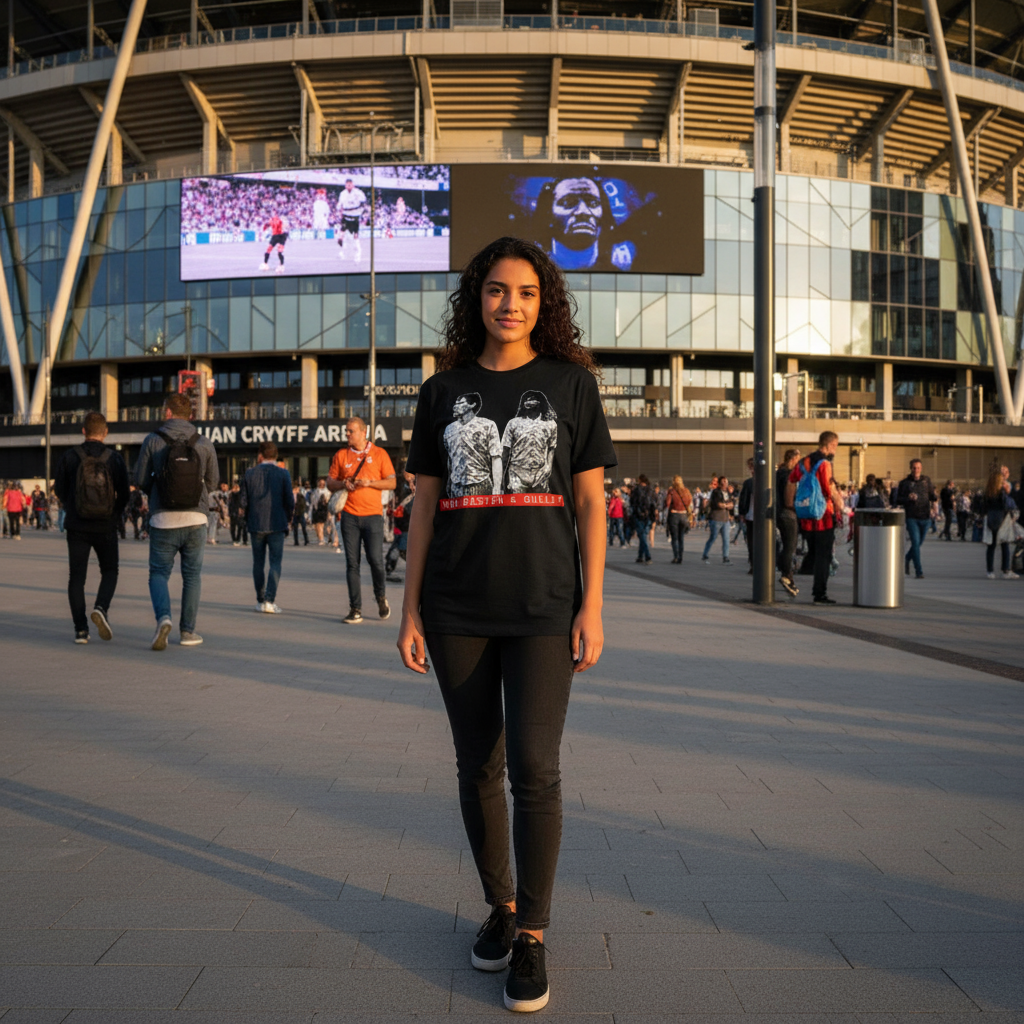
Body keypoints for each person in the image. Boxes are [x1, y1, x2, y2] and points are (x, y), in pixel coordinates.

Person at [398, 235, 616, 1014]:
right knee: (477, 766)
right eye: (496, 290)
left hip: (544, 606)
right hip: (456, 605)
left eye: (525, 292)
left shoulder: (570, 385)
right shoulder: (441, 389)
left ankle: (535, 935)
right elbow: (423, 507)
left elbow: (590, 503)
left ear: (543, 301)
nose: (509, 304)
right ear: (476, 298)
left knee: (535, 766)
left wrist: (592, 604)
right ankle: (503, 907)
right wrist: (409, 609)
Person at [135, 392, 220, 650]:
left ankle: (163, 618)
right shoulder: (204, 442)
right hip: (196, 518)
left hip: (163, 518)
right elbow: (213, 482)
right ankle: (187, 632)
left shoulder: (153, 440)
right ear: (190, 415)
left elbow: (140, 480)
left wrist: (158, 491)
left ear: (168, 412)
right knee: (192, 576)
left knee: (159, 573)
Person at [52, 411, 130, 644]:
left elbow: (59, 490)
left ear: (83, 431)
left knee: (77, 577)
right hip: (105, 525)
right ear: (105, 433)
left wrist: (73, 506)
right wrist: (113, 514)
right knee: (110, 570)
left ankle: (81, 630)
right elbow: (124, 494)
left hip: (77, 525)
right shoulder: (114, 458)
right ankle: (101, 607)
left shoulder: (69, 456)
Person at [327, 416, 396, 624]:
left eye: (350, 431)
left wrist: (371, 482)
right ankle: (355, 608)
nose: (347, 434)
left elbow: (392, 482)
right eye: (346, 431)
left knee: (375, 560)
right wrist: (343, 484)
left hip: (373, 515)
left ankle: (381, 597)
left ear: (363, 432)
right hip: (349, 515)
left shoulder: (379, 453)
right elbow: (330, 482)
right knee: (352, 563)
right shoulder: (341, 455)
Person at [786, 430, 844, 605]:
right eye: (836, 446)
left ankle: (805, 578)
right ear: (831, 444)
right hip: (823, 516)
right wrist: (841, 505)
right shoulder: (825, 464)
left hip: (806, 517)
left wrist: (791, 505)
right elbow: (828, 489)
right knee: (823, 556)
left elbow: (791, 480)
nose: (835, 450)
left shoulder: (804, 462)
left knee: (814, 552)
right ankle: (819, 593)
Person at [240, 441, 295, 614]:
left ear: (260, 455)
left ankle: (260, 599)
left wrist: (248, 515)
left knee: (258, 563)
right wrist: (289, 518)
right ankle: (270, 600)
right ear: (276, 455)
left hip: (256, 524)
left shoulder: (250, 474)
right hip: (277, 524)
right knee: (275, 563)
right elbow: (290, 501)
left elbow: (243, 501)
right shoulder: (283, 473)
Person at [896, 458, 937, 579]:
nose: (916, 470)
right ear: (910, 468)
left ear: (921, 468)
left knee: (918, 544)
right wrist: (908, 498)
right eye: (914, 468)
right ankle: (919, 571)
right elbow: (898, 499)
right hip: (911, 517)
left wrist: (935, 499)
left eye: (918, 468)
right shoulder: (904, 483)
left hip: (925, 517)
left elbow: (932, 496)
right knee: (915, 542)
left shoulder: (926, 480)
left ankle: (907, 558)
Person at [982, 468, 1020, 579]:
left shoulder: (988, 493)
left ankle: (990, 571)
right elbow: (1009, 504)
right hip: (1002, 520)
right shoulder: (1001, 493)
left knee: (991, 546)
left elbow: (983, 507)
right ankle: (1005, 570)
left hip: (990, 519)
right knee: (1005, 545)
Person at [775, 448, 801, 597]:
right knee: (790, 546)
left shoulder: (778, 473)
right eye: (798, 460)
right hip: (788, 514)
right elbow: (789, 500)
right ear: (793, 459)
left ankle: (788, 576)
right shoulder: (790, 475)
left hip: (778, 513)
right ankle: (787, 576)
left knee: (786, 545)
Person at [701, 475, 733, 564]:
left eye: (726, 482)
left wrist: (726, 505)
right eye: (723, 482)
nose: (725, 484)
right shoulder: (716, 492)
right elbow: (718, 504)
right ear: (719, 484)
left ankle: (725, 557)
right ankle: (705, 554)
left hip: (726, 519)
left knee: (726, 539)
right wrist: (726, 505)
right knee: (713, 537)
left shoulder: (728, 493)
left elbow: (732, 504)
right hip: (716, 519)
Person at [336, 178, 367, 262]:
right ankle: (342, 252)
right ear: (345, 185)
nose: (349, 186)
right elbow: (340, 204)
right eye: (347, 184)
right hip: (345, 215)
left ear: (353, 185)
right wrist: (338, 209)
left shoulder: (358, 192)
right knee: (341, 236)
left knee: (355, 237)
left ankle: (358, 252)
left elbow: (364, 200)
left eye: (350, 184)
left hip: (355, 216)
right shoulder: (342, 194)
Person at [665, 474, 692, 564]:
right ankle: (680, 556)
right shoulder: (686, 491)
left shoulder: (672, 491)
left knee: (675, 538)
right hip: (684, 515)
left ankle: (676, 556)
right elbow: (689, 502)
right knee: (681, 538)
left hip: (674, 515)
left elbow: (667, 503)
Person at [630, 473, 654, 563]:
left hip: (638, 515)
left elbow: (633, 503)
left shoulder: (636, 490)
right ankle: (640, 556)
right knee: (642, 535)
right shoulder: (650, 490)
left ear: (639, 480)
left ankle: (648, 556)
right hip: (648, 515)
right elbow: (654, 503)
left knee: (642, 536)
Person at [737, 458, 755, 573]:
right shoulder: (770, 481)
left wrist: (742, 513)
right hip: (763, 517)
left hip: (751, 516)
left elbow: (743, 499)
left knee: (752, 541)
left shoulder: (749, 483)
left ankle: (753, 564)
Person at [310, 477, 330, 544]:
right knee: (316, 525)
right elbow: (312, 502)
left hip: (323, 509)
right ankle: (321, 538)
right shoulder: (315, 491)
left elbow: (328, 501)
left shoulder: (327, 491)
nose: (321, 484)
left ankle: (322, 539)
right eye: (320, 483)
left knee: (320, 524)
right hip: (316, 509)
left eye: (323, 483)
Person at [228, 481, 247, 546]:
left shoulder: (240, 495)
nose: (235, 489)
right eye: (234, 488)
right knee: (233, 527)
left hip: (238, 512)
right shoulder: (231, 495)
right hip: (233, 512)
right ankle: (235, 539)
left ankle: (239, 539)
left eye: (237, 488)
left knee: (240, 527)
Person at [291, 479, 309, 546]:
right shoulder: (291, 496)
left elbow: (303, 504)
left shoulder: (300, 496)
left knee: (303, 527)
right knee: (295, 528)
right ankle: (296, 541)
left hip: (300, 513)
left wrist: (301, 511)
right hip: (295, 514)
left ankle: (306, 540)